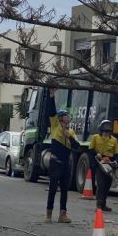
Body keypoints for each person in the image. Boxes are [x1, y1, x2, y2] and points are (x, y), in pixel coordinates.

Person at [45, 90, 79, 223]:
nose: (68, 116)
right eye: (65, 115)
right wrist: (51, 96)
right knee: (53, 188)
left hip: (66, 163)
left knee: (65, 189)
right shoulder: (55, 126)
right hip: (55, 161)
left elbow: (76, 146)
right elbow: (51, 111)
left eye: (67, 115)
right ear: (60, 118)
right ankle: (49, 214)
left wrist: (69, 137)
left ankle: (62, 214)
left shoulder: (70, 131)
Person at [89, 119, 118, 212]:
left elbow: (116, 154)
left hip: (109, 163)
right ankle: (98, 205)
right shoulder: (95, 138)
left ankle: (103, 204)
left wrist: (114, 162)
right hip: (99, 163)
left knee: (107, 185)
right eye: (104, 131)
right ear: (101, 131)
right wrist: (96, 158)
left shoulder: (114, 140)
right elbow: (90, 150)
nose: (106, 133)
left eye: (108, 131)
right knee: (101, 184)